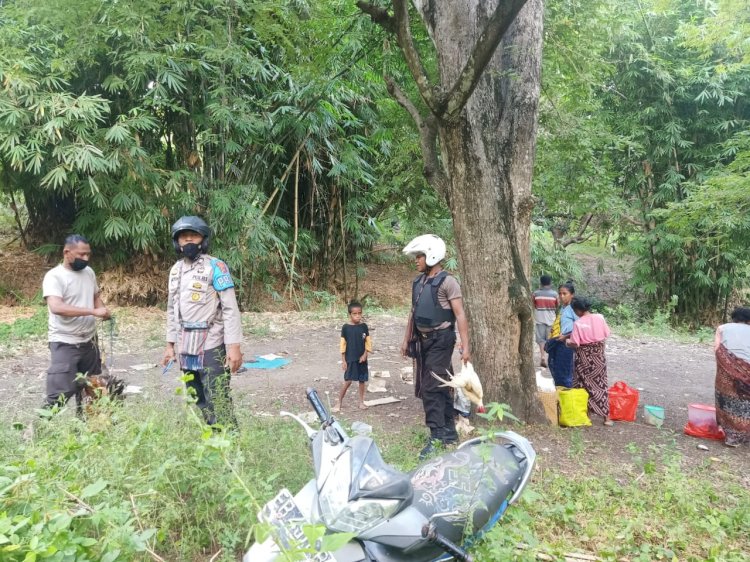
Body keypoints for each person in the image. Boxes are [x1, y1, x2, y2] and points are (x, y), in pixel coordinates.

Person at [162, 216, 243, 428]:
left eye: (193, 236)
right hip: (185, 344)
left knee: (217, 395)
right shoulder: (175, 270)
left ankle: (231, 442)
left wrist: (233, 346)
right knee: (196, 393)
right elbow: (172, 308)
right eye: (183, 237)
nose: (188, 240)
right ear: (177, 242)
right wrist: (170, 345)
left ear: (203, 239)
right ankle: (214, 435)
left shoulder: (216, 267)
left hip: (211, 343)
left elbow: (230, 309)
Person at [400, 234, 470, 458]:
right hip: (424, 342)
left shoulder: (448, 281)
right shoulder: (419, 282)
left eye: (419, 256)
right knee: (441, 385)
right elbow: (413, 313)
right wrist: (406, 339)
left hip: (442, 340)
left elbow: (460, 315)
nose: (416, 260)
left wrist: (465, 346)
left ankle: (437, 436)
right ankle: (449, 432)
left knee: (431, 387)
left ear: (431, 255)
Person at [42, 234, 111, 411]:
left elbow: (95, 297)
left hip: (89, 341)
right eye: (81, 254)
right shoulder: (54, 277)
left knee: (93, 389)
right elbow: (57, 307)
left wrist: (103, 310)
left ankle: (89, 431)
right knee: (60, 391)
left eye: (88, 254)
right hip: (65, 342)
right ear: (67, 252)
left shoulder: (89, 273)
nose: (86, 258)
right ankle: (38, 430)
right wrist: (93, 311)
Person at [566, 297, 613, 426]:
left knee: (582, 385)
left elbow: (575, 343)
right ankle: (607, 417)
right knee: (601, 385)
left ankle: (586, 415)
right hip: (598, 359)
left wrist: (567, 341)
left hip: (584, 360)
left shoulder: (578, 324)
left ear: (577, 310)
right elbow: (606, 334)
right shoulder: (600, 317)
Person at [714, 306, 750, 447]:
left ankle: (732, 437)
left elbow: (717, 349)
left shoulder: (722, 328)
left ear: (735, 318)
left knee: (726, 398)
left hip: (727, 371)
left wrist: (728, 366)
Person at [334, 300, 372, 412]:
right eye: (355, 314)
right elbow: (343, 344)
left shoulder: (364, 326)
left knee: (362, 380)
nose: (358, 316)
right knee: (348, 381)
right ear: (350, 314)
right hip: (350, 358)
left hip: (362, 358)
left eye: (359, 313)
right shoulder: (345, 328)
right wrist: (343, 360)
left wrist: (365, 354)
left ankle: (361, 402)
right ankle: (339, 401)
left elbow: (368, 342)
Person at [544, 281, 577, 388]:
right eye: (560, 293)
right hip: (557, 340)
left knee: (564, 371)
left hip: (566, 343)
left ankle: (566, 392)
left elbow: (580, 327)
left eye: (565, 294)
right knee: (555, 367)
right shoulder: (563, 308)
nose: (562, 296)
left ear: (572, 295)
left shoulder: (574, 308)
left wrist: (566, 336)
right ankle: (559, 392)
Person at [533, 274, 558, 368]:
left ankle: (543, 357)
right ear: (550, 283)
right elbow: (557, 305)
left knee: (541, 340)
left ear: (541, 283)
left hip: (539, 319)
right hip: (551, 320)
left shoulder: (535, 294)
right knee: (551, 340)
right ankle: (550, 358)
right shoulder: (554, 294)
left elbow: (534, 305)